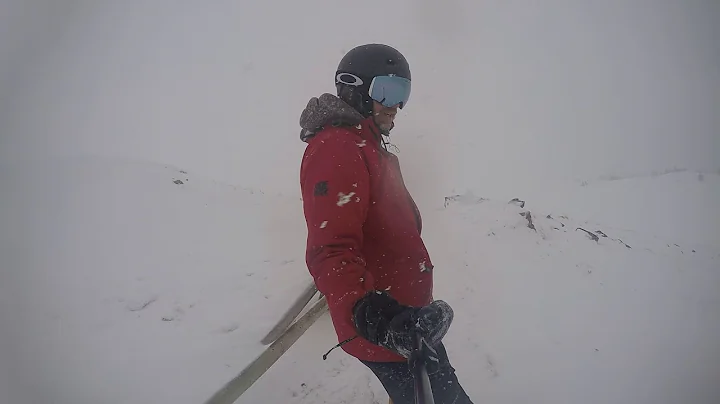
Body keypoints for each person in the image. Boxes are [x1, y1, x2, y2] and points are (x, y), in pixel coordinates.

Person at [298, 44, 473, 404]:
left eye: (403, 93)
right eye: (388, 91)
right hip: (387, 331)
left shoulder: (368, 147)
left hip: (408, 326)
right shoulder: (339, 148)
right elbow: (330, 250)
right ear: (354, 87)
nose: (396, 105)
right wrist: (377, 316)